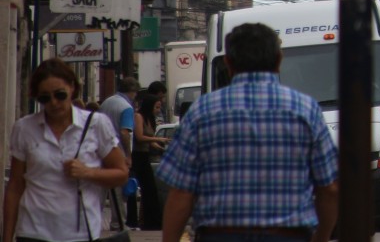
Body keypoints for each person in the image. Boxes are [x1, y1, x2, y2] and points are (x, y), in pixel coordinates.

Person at [158, 22, 338, 242]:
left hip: (219, 237)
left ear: (228, 63)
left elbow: (181, 194)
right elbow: (329, 189)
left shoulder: (201, 112)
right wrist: (321, 238)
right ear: (279, 61)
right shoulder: (306, 110)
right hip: (289, 237)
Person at [2, 58, 129, 242]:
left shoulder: (96, 124)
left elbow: (121, 174)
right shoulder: (25, 128)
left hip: (80, 234)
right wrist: (7, 237)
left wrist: (88, 173)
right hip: (33, 231)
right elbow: (15, 186)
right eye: (45, 98)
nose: (53, 103)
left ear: (71, 87)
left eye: (60, 95)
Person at [98, 77, 139, 231]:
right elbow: (125, 132)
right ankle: (118, 223)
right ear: (132, 92)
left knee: (100, 190)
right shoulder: (127, 108)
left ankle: (93, 220)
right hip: (118, 152)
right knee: (118, 191)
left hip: (102, 150)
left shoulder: (107, 102)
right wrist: (128, 155)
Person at [132, 92, 167, 230]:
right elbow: (140, 137)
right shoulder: (138, 116)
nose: (158, 110)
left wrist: (162, 148)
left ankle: (153, 220)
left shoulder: (149, 118)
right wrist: (157, 139)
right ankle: (148, 221)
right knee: (147, 189)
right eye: (156, 107)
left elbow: (150, 142)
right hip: (138, 156)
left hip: (145, 155)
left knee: (151, 189)